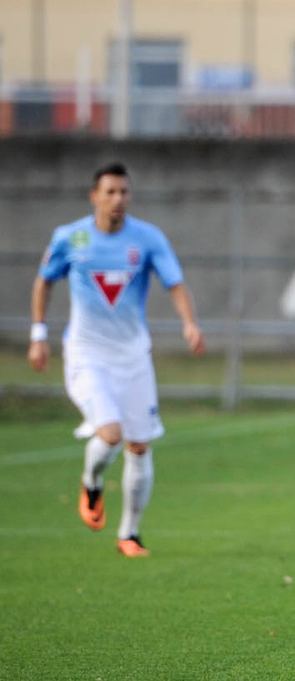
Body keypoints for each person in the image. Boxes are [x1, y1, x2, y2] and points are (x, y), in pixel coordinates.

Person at [28, 163, 206, 557]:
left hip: (133, 357)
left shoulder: (147, 238)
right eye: (110, 192)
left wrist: (189, 324)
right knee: (110, 433)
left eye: (124, 191)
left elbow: (175, 284)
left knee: (139, 446)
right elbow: (44, 282)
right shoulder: (70, 237)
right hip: (87, 356)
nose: (118, 199)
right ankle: (91, 482)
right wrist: (38, 335)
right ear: (94, 196)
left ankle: (129, 534)